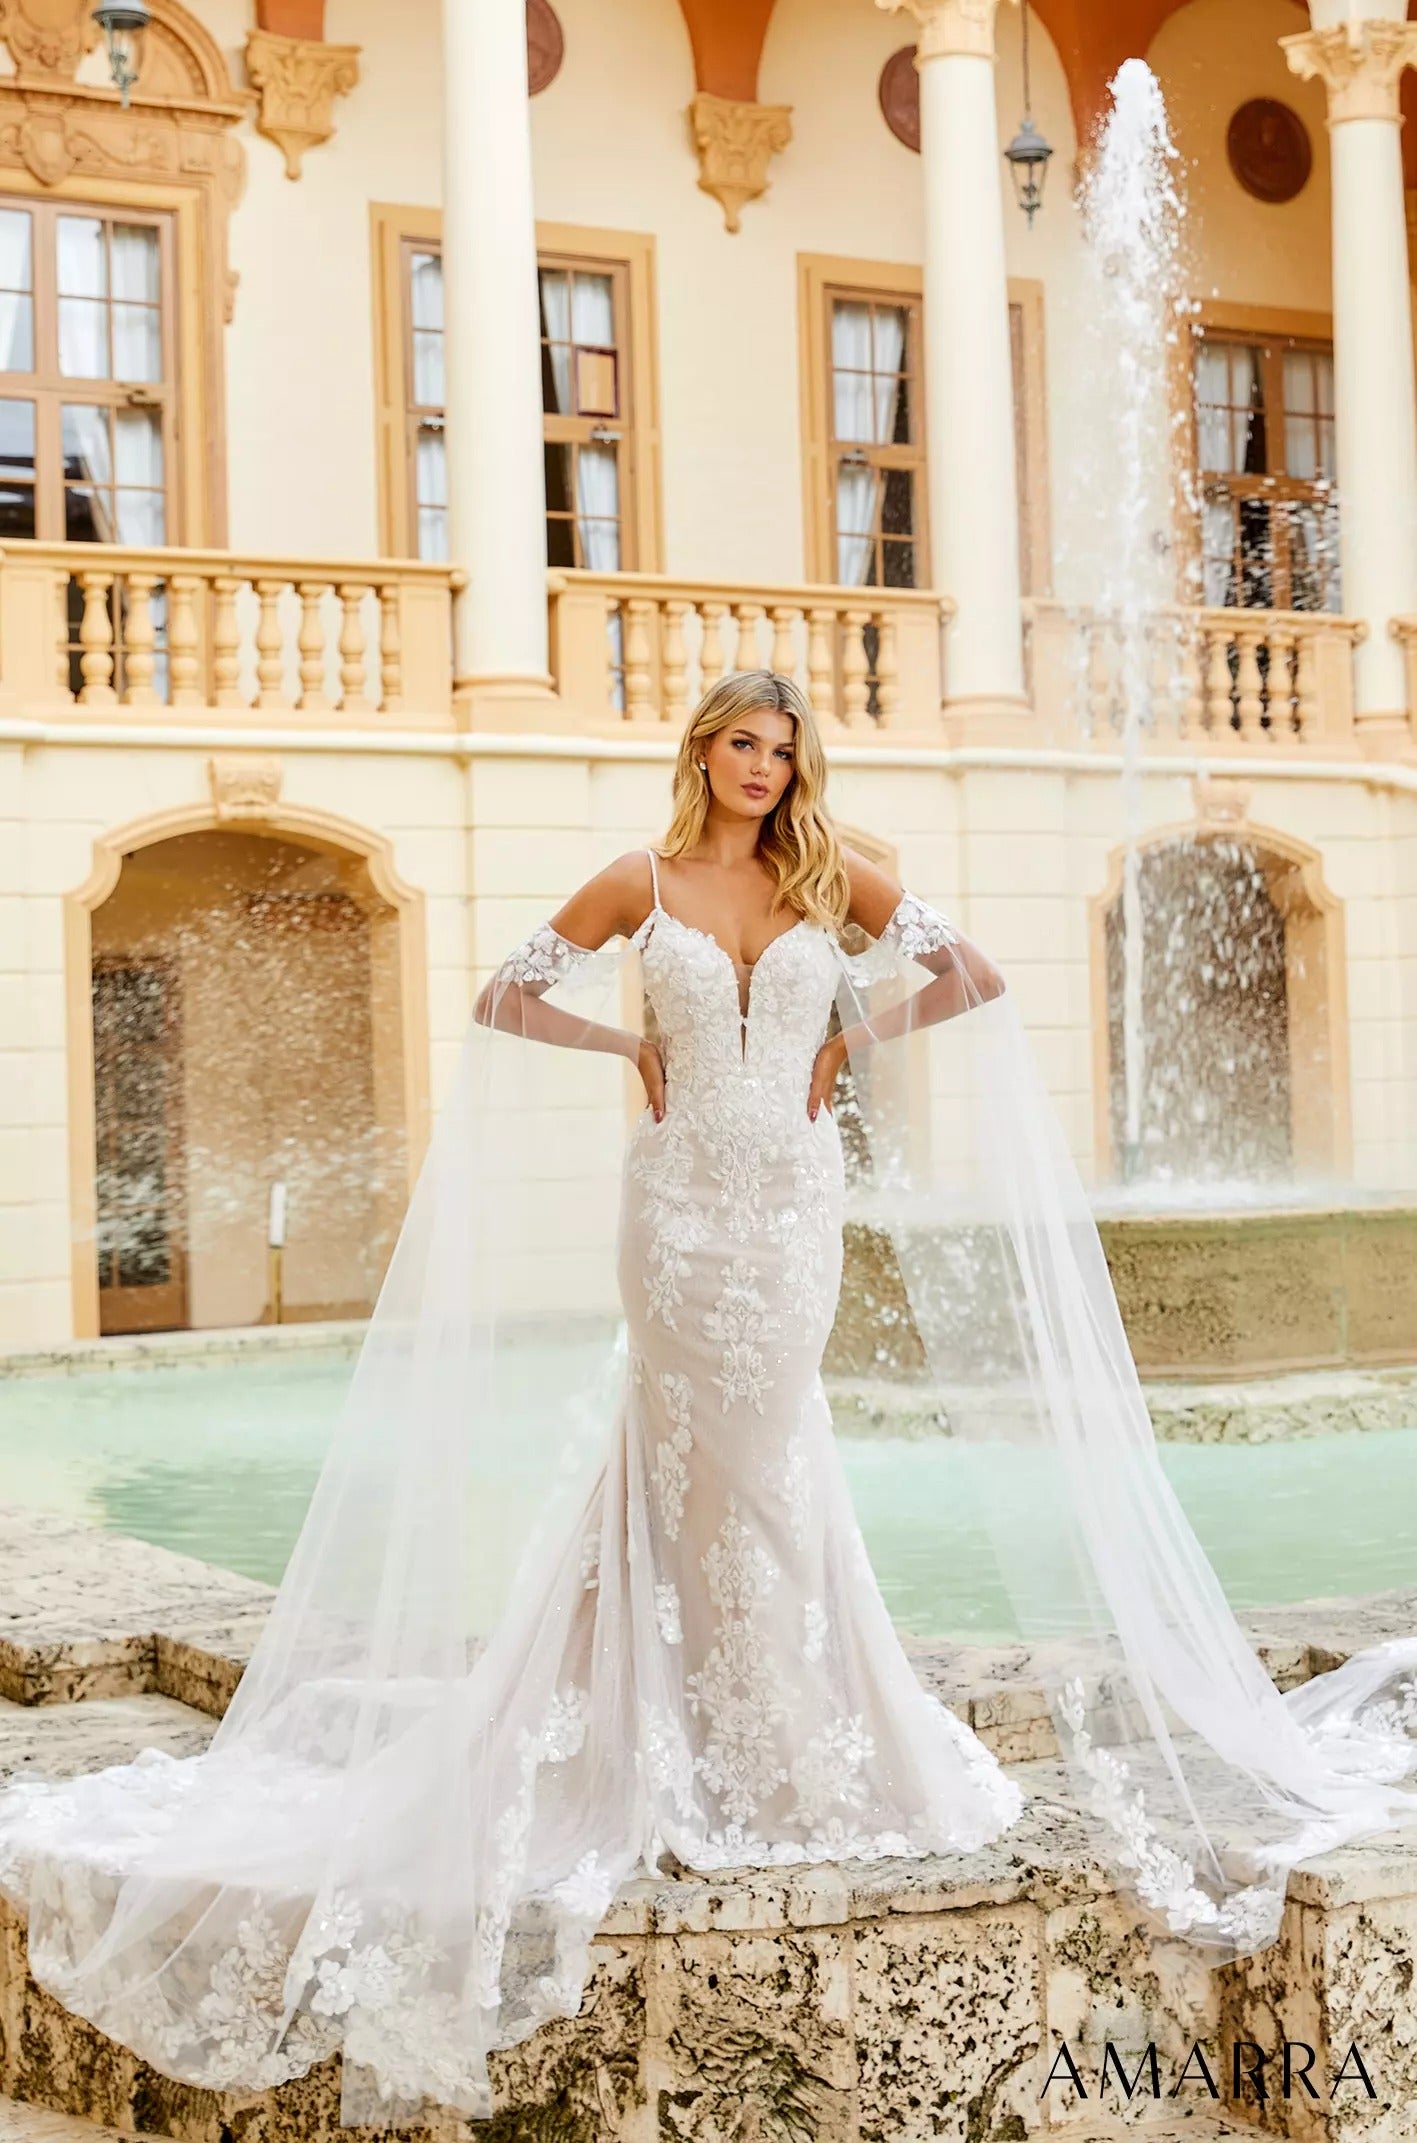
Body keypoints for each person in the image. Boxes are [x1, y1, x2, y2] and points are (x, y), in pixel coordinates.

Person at [1, 669, 1415, 2131]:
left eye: (782, 751)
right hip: (676, 1211)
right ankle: (683, 1726)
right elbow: (504, 996)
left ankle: (781, 1730)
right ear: (703, 753)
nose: (761, 768)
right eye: (743, 744)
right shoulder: (640, 879)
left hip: (790, 1209)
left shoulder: (828, 881)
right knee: (688, 1460)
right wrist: (627, 1048)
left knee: (774, 1460)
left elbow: (971, 977)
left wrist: (842, 1042)